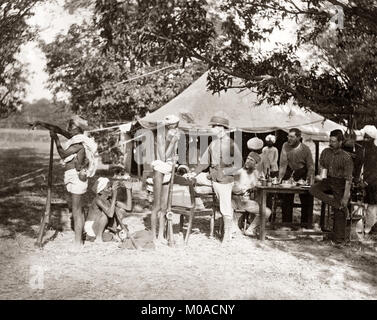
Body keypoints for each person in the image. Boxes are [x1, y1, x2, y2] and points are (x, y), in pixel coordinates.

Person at [30, 116, 98, 246]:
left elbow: (62, 154)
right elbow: (58, 129)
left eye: (71, 128)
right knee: (76, 208)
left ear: (78, 129)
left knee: (77, 210)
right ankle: (80, 238)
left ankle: (78, 243)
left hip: (78, 177)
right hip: (72, 176)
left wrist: (56, 139)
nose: (68, 130)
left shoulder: (79, 143)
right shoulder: (75, 138)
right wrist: (40, 123)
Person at [184, 114, 243, 243]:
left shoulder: (232, 144)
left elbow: (239, 164)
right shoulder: (213, 143)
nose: (211, 129)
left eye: (213, 127)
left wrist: (225, 171)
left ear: (221, 128)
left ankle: (227, 236)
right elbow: (205, 162)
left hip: (224, 180)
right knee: (192, 179)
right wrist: (194, 173)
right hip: (212, 176)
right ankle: (196, 204)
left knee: (225, 207)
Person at [310, 129, 354, 243]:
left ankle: (338, 239)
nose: (331, 143)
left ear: (340, 142)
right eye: (330, 141)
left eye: (334, 141)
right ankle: (337, 204)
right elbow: (322, 166)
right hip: (328, 180)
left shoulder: (346, 157)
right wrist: (321, 176)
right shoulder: (325, 152)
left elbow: (348, 180)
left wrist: (345, 197)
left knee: (341, 208)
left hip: (340, 183)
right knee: (313, 189)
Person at [150, 114, 180, 243]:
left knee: (164, 206)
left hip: (168, 169)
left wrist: (175, 158)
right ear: (168, 126)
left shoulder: (174, 136)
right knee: (156, 206)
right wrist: (173, 142)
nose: (176, 127)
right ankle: (153, 236)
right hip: (159, 170)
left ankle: (161, 235)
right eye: (174, 125)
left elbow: (171, 156)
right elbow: (162, 157)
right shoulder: (161, 137)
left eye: (176, 125)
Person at [279, 128, 314, 227]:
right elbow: (283, 164)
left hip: (302, 172)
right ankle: (286, 225)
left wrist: (307, 180)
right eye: (288, 136)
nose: (289, 139)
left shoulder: (305, 149)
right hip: (290, 171)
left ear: (298, 137)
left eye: (292, 137)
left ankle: (305, 225)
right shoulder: (285, 146)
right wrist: (280, 179)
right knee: (286, 199)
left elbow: (311, 166)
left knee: (306, 200)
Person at [232, 152, 272, 236]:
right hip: (238, 200)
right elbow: (234, 190)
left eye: (251, 160)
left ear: (256, 164)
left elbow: (260, 186)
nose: (248, 161)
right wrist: (248, 187)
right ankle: (239, 226)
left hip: (249, 201)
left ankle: (250, 229)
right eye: (247, 159)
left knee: (267, 212)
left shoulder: (257, 173)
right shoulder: (239, 172)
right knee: (266, 211)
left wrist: (260, 183)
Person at [86, 177, 133, 242]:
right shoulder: (98, 199)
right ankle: (99, 237)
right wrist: (114, 194)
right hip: (91, 228)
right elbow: (110, 214)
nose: (111, 189)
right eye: (108, 188)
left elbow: (128, 208)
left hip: (100, 226)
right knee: (106, 214)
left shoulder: (110, 199)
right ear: (101, 191)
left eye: (111, 187)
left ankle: (109, 232)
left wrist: (128, 189)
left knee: (121, 211)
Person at [357, 125, 377, 235]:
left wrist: (366, 182)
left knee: (371, 208)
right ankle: (358, 228)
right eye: (364, 137)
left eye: (367, 138)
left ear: (372, 139)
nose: (364, 140)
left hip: (373, 184)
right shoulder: (361, 150)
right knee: (359, 205)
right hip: (361, 181)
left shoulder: (375, 152)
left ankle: (368, 229)